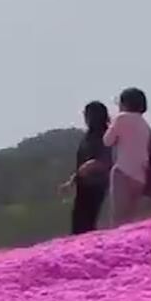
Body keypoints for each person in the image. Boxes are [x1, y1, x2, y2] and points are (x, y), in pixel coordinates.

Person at [104, 88, 151, 225]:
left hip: (123, 171)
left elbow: (107, 141)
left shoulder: (121, 118)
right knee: (130, 219)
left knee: (118, 218)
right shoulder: (145, 125)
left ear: (124, 103)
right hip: (140, 175)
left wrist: (110, 126)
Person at [61, 101, 112, 236]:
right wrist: (72, 181)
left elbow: (106, 160)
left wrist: (91, 165)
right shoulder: (88, 137)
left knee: (88, 225)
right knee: (79, 226)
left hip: (98, 186)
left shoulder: (106, 135)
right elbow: (82, 163)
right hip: (84, 187)